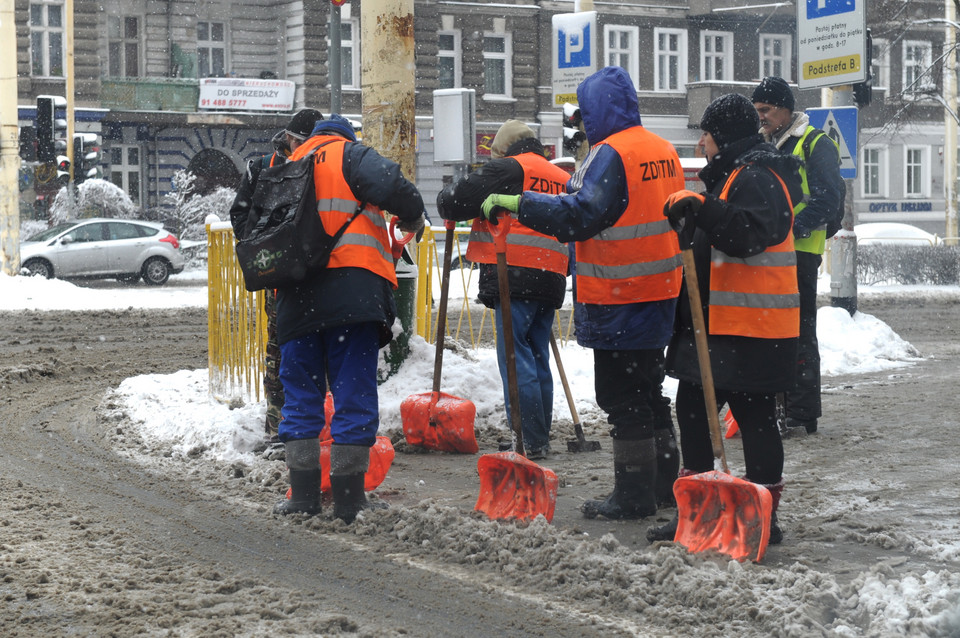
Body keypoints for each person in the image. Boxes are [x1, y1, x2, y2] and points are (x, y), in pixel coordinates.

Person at [481, 66, 685, 519]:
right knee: (649, 390)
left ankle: (633, 496)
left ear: (597, 110)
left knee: (621, 396)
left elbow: (580, 214)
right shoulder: (663, 149)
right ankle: (664, 486)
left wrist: (520, 204)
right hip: (660, 289)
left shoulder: (612, 153)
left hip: (620, 292)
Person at [646, 93, 803, 545]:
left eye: (707, 135)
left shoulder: (760, 175)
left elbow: (751, 234)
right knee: (695, 408)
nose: (702, 146)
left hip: (751, 327)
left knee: (751, 417)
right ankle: (700, 507)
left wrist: (703, 209)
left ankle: (761, 514)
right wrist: (696, 216)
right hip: (723, 325)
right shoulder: (737, 174)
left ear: (726, 137)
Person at [273, 113, 426, 522]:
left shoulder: (285, 165)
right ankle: (348, 497)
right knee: (352, 390)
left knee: (301, 394)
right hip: (351, 296)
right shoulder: (350, 155)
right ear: (345, 136)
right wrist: (412, 218)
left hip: (294, 296)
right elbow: (401, 193)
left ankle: (302, 495)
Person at [436, 120, 570, 459]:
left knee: (515, 356)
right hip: (551, 274)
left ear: (501, 150)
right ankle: (538, 437)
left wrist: (455, 200)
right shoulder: (559, 176)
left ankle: (527, 439)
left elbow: (453, 201)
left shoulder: (509, 168)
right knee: (537, 355)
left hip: (515, 271)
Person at [752, 77, 845, 436]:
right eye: (757, 110)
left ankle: (802, 412)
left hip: (800, 253)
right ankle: (780, 405)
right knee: (774, 331)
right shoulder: (767, 144)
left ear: (786, 109)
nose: (760, 117)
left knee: (800, 330)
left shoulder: (815, 142)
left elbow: (827, 200)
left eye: (766, 110)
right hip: (773, 252)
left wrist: (789, 230)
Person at [229, 108, 324, 440]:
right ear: (289, 138)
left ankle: (313, 426)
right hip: (281, 280)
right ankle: (278, 426)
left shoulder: (322, 166)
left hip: (319, 277)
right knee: (280, 350)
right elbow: (240, 218)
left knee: (315, 351)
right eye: (300, 141)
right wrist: (268, 245)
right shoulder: (264, 169)